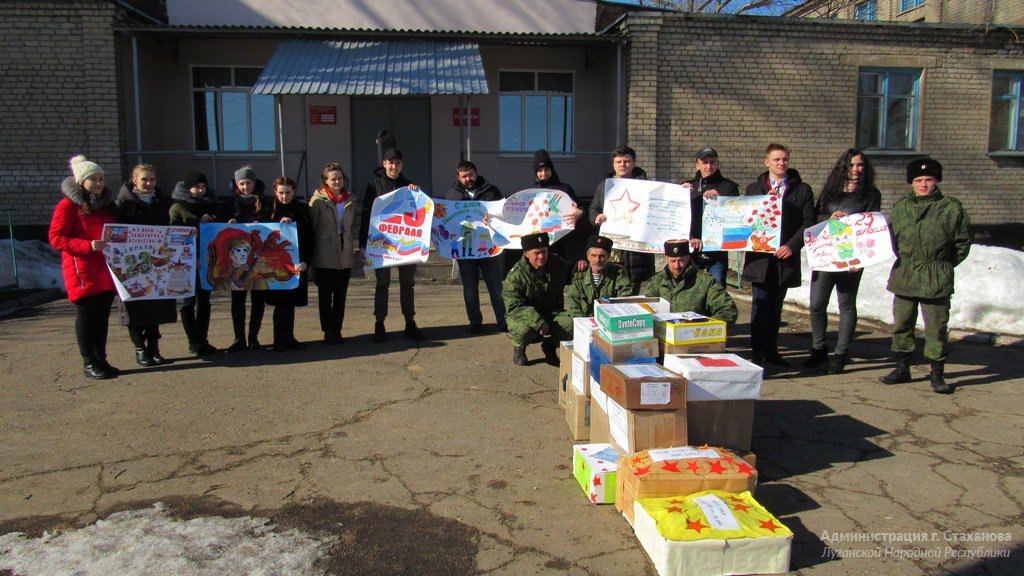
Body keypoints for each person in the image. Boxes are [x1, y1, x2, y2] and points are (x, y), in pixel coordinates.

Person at [879, 159, 970, 394]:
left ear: (937, 180)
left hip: (936, 276)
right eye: (918, 180)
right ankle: (902, 368)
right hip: (906, 274)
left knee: (936, 328)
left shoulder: (951, 208)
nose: (923, 184)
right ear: (911, 182)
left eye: (928, 179)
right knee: (902, 324)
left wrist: (942, 266)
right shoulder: (901, 208)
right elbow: (893, 240)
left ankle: (937, 373)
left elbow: (962, 244)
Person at [804, 149, 882, 374]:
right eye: (852, 165)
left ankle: (840, 353)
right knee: (817, 304)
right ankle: (818, 349)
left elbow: (871, 226)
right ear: (843, 168)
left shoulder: (870, 194)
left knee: (846, 305)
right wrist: (829, 218)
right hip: (826, 254)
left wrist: (861, 258)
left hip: (851, 257)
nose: (856, 170)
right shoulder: (830, 192)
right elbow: (815, 217)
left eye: (860, 166)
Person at [741, 143, 816, 369]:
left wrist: (792, 246)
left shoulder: (802, 190)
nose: (781, 163)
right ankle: (757, 352)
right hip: (761, 258)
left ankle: (772, 351)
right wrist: (766, 204)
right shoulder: (754, 190)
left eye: (784, 159)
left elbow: (808, 223)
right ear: (767, 162)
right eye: (776, 160)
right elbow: (745, 221)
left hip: (784, 257)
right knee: (759, 305)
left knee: (775, 307)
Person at [49, 155, 119, 380]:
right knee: (88, 317)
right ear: (81, 181)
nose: (99, 183)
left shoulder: (104, 206)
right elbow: (56, 238)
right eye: (93, 179)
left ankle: (101, 358)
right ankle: (89, 362)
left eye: (101, 179)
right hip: (82, 271)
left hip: (105, 270)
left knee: (102, 317)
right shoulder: (68, 206)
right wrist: (87, 246)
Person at [114, 163, 178, 366]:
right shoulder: (123, 204)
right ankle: (140, 348)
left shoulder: (162, 203)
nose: (149, 183)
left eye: (152, 179)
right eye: (144, 179)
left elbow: (172, 228)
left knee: (155, 306)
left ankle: (154, 348)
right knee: (134, 308)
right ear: (135, 180)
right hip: (132, 264)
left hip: (157, 264)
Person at [361, 148, 423, 343]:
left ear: (402, 164)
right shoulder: (374, 185)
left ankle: (410, 322)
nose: (394, 166)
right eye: (390, 162)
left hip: (405, 244)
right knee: (382, 285)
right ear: (384, 164)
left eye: (397, 163)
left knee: (407, 284)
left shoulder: (410, 186)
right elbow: (365, 216)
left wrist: (418, 194)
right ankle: (379, 323)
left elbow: (421, 212)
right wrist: (363, 244)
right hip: (381, 245)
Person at [439, 160, 507, 333]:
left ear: (476, 173)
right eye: (464, 176)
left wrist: (493, 218)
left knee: (495, 286)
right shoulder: (450, 195)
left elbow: (503, 214)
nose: (468, 178)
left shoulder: (492, 191)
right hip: (465, 249)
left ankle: (503, 320)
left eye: (470, 174)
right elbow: (445, 220)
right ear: (458, 176)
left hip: (489, 248)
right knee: (469, 287)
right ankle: (475, 321)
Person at [589, 145, 655, 293]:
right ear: (613, 164)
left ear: (633, 162)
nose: (622, 165)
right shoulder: (604, 186)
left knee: (634, 295)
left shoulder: (647, 186)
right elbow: (594, 208)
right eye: (619, 162)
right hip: (614, 248)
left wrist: (681, 191)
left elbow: (662, 203)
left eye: (626, 161)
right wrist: (596, 217)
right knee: (611, 289)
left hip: (638, 251)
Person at [502, 232, 573, 366]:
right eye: (537, 253)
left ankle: (549, 346)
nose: (542, 256)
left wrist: (579, 264)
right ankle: (519, 348)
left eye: (544, 252)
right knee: (523, 330)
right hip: (522, 314)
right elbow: (514, 306)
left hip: (551, 311)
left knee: (572, 326)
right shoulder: (515, 276)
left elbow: (571, 270)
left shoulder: (556, 262)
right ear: (526, 253)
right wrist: (538, 322)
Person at [169, 170, 219, 356]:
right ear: (188, 187)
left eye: (203, 186)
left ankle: (203, 339)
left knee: (204, 301)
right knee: (188, 301)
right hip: (186, 261)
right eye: (197, 186)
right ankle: (193, 341)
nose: (200, 190)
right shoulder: (178, 207)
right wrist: (197, 224)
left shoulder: (211, 205)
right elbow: (172, 233)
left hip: (207, 261)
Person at [308, 162, 358, 345]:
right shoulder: (318, 201)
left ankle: (337, 328)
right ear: (326, 182)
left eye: (340, 178)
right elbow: (312, 227)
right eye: (333, 179)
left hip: (344, 253)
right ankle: (328, 330)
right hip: (324, 253)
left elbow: (352, 225)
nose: (337, 182)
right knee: (325, 295)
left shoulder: (351, 199)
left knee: (340, 295)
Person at [263, 177, 313, 353]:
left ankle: (289, 337)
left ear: (294, 191)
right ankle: (278, 340)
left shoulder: (302, 210)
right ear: (276, 192)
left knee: (290, 303)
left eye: (288, 192)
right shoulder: (268, 209)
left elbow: (309, 238)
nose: (285, 196)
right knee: (280, 304)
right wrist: (277, 223)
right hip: (275, 266)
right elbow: (262, 234)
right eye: (281, 193)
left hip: (297, 265)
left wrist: (307, 261)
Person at [223, 165, 268, 352]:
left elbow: (273, 223)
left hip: (259, 260)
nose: (245, 187)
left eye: (248, 183)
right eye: (242, 183)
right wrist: (227, 223)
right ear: (236, 184)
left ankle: (253, 337)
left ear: (254, 183)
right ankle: (238, 338)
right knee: (238, 301)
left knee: (258, 299)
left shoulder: (265, 202)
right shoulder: (228, 204)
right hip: (238, 261)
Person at [684, 147, 739, 287]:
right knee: (691, 291)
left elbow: (737, 215)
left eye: (712, 162)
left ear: (718, 163)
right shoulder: (688, 187)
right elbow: (679, 219)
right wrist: (679, 194)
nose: (709, 166)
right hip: (691, 251)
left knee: (717, 290)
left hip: (717, 252)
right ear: (697, 165)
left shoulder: (729, 187)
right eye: (704, 162)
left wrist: (722, 198)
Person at [645, 240, 738, 322]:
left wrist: (704, 326)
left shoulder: (705, 282)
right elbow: (645, 308)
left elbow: (728, 309)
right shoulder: (658, 281)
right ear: (666, 259)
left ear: (689, 258)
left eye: (681, 260)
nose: (677, 266)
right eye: (673, 261)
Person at [532, 149, 585, 262]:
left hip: (562, 239)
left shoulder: (565, 189)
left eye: (546, 169)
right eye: (540, 170)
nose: (543, 173)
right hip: (540, 240)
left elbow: (580, 208)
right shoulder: (532, 192)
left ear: (552, 170)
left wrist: (579, 212)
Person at [566, 235, 632, 318]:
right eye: (594, 255)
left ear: (608, 256)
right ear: (588, 256)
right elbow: (574, 306)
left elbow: (624, 299)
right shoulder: (579, 276)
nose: (597, 260)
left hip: (611, 319)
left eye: (602, 256)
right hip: (585, 321)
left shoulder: (618, 274)